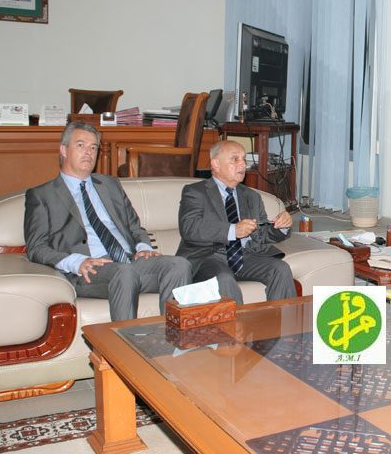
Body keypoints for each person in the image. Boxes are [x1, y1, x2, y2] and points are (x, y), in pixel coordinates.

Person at [24, 121, 192, 321]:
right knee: (124, 272)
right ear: (63, 150)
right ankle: (126, 340)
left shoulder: (110, 185)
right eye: (81, 145)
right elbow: (36, 247)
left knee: (179, 265)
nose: (88, 152)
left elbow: (134, 226)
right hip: (89, 270)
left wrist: (143, 247)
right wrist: (76, 262)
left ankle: (172, 336)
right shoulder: (42, 195)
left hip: (129, 261)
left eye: (93, 147)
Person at [176, 140, 295, 303]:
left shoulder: (251, 196)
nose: (243, 164)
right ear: (216, 164)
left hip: (245, 255)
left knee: (280, 268)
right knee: (224, 278)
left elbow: (261, 233)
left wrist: (281, 227)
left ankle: (282, 319)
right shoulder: (196, 192)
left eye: (244, 159)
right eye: (235, 159)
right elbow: (189, 228)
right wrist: (232, 230)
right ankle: (238, 321)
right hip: (208, 257)